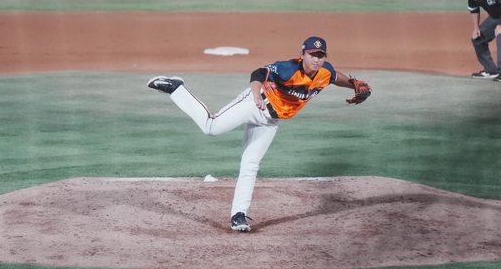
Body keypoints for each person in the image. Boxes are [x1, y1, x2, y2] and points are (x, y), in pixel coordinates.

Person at [147, 36, 372, 232]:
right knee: (211, 127)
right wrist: (255, 95)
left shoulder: (325, 72)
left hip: (270, 121)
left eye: (320, 55)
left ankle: (238, 215)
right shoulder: (288, 69)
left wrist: (354, 84)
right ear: (302, 54)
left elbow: (335, 77)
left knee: (250, 164)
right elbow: (258, 72)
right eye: (312, 54)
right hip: (254, 104)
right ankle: (176, 88)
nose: (316, 59)